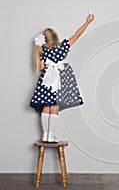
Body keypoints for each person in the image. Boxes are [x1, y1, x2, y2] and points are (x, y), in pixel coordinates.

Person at [29, 13, 95, 143]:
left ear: (44, 41)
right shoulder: (62, 48)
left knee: (45, 107)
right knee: (54, 107)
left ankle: (45, 134)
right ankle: (51, 134)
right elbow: (77, 35)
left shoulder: (44, 52)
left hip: (45, 84)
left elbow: (42, 67)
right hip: (57, 83)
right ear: (56, 38)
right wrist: (87, 22)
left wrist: (47, 65)